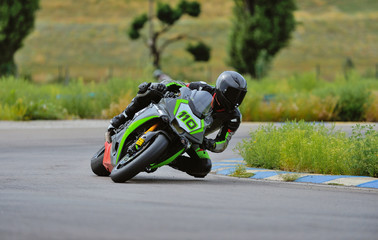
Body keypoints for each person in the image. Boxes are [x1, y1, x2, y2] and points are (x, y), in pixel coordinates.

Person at [106, 71, 247, 178]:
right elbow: (181, 85)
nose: (237, 100)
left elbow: (223, 142)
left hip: (195, 137)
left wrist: (209, 144)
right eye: (235, 94)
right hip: (176, 114)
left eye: (240, 96)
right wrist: (162, 86)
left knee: (204, 166)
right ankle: (121, 119)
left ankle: (164, 157)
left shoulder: (234, 117)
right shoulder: (204, 88)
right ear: (223, 89)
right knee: (148, 90)